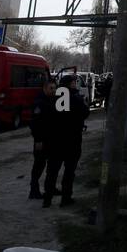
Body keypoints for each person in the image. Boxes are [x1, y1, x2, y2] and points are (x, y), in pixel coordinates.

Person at [43, 73, 90, 207]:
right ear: (70, 84)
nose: (76, 84)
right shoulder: (75, 98)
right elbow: (85, 113)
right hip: (72, 140)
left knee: (52, 171)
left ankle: (47, 199)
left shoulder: (53, 98)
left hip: (55, 140)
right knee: (69, 171)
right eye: (74, 82)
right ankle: (65, 198)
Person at [29, 78, 57, 199]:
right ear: (45, 88)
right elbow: (35, 124)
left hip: (51, 139)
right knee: (39, 165)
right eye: (51, 88)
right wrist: (38, 140)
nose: (53, 90)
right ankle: (34, 190)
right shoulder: (39, 102)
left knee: (52, 165)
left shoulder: (52, 100)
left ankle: (50, 187)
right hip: (42, 140)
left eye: (55, 88)